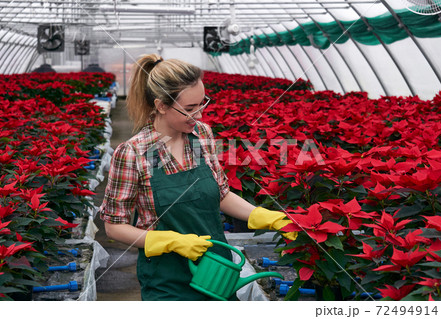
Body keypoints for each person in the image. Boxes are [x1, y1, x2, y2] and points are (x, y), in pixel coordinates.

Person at [99, 54, 297, 301]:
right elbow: (113, 226)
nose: (200, 115)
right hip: (167, 280)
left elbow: (220, 193)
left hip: (217, 270)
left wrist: (260, 215)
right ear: (161, 106)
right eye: (190, 109)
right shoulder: (133, 153)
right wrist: (169, 241)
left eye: (202, 105)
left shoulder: (201, 135)